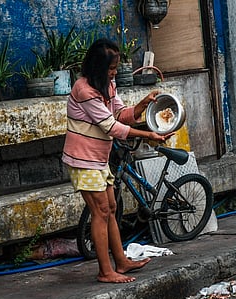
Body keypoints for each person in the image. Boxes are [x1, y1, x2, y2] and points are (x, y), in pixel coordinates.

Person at [62, 38, 174, 283]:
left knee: (111, 208)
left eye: (115, 69)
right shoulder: (84, 90)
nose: (114, 73)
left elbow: (121, 115)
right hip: (83, 159)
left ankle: (121, 261)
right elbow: (111, 126)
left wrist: (143, 105)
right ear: (96, 67)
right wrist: (149, 135)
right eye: (111, 69)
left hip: (100, 158)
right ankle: (105, 271)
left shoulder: (107, 85)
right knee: (100, 211)